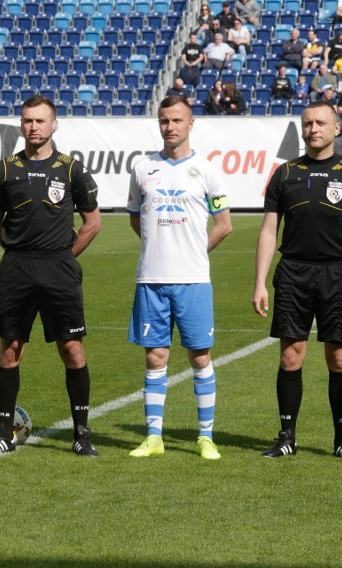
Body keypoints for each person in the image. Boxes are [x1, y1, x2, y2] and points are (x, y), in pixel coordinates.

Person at [253, 101, 342, 461]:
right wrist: (260, 281)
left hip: (339, 273)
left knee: (339, 359)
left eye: (321, 123)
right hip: (293, 272)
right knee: (291, 356)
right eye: (307, 123)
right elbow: (267, 231)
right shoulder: (285, 173)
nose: (313, 129)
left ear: (336, 128)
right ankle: (286, 436)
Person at [0, 95, 102, 456]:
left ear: (54, 125)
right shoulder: (4, 168)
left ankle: (81, 434)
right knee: (10, 349)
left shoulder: (71, 169)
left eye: (40, 121)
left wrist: (63, 256)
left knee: (72, 349)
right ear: (22, 124)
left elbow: (92, 224)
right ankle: (4, 433)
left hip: (58, 269)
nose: (34, 127)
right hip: (17, 267)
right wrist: (17, 253)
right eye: (28, 121)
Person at [126, 95, 232, 461]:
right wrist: (162, 246)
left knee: (200, 357)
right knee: (155, 356)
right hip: (151, 280)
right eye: (164, 121)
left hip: (193, 280)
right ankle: (154, 438)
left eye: (176, 121)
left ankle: (206, 437)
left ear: (191, 124)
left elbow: (224, 225)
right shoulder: (141, 168)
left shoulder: (206, 170)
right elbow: (135, 217)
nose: (170, 127)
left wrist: (190, 251)